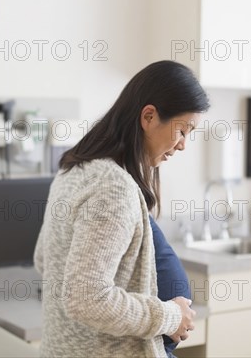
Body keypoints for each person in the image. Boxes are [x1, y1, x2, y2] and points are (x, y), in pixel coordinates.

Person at [34, 60, 210, 357]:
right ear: (149, 116)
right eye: (182, 130)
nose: (183, 145)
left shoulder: (75, 169)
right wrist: (170, 315)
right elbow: (86, 298)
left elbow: (44, 259)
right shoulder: (113, 187)